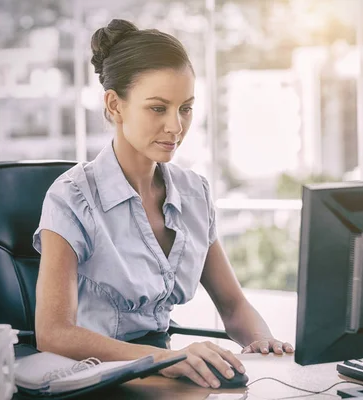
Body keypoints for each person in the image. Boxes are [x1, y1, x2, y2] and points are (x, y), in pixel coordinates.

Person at [32, 19, 294, 389]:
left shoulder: (194, 193)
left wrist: (263, 343)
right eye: (158, 109)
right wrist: (161, 359)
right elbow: (53, 333)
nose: (176, 126)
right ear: (114, 104)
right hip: (93, 381)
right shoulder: (72, 197)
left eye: (185, 108)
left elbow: (234, 308)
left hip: (167, 375)